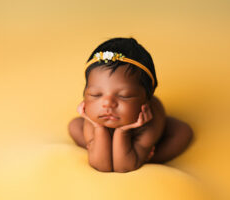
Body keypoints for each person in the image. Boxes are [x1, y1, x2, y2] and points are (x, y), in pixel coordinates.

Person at [68, 37, 193, 173]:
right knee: (74, 126)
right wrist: (98, 127)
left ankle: (144, 156)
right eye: (96, 95)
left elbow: (124, 167)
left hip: (141, 129)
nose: (107, 103)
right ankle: (99, 146)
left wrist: (123, 131)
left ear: (146, 100)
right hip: (103, 125)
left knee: (182, 132)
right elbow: (101, 165)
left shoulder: (150, 124)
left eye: (124, 95)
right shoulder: (93, 117)